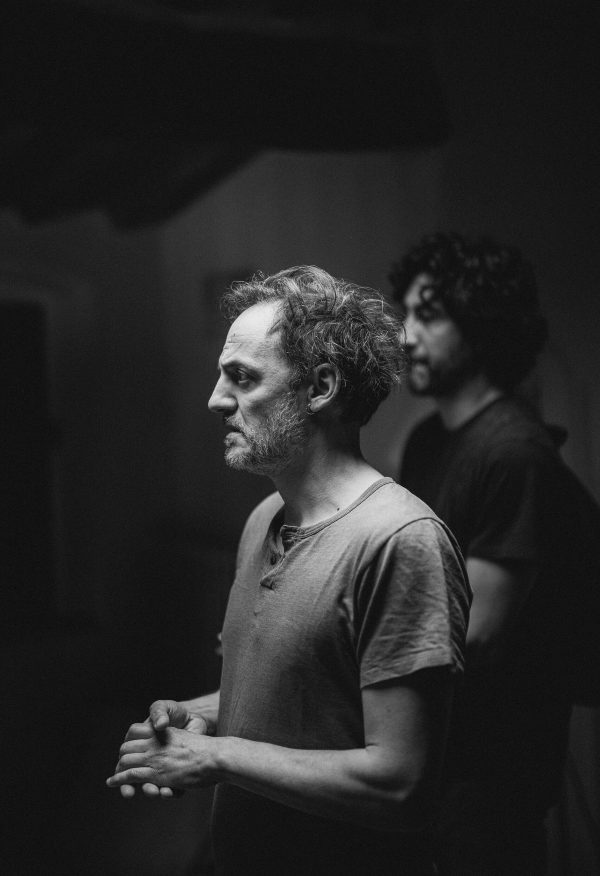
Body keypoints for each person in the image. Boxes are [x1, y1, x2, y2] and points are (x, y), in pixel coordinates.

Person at [107, 265, 470, 875]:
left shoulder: (400, 541)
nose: (216, 399)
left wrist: (216, 757)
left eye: (243, 377)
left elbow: (400, 783)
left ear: (320, 386)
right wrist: (202, 715)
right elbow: (303, 697)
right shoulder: (262, 520)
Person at [388, 232, 590, 875]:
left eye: (429, 315)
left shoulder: (515, 453)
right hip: (432, 753)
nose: (405, 335)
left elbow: (475, 635)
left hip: (494, 772)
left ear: (480, 325)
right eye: (406, 312)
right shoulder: (427, 440)